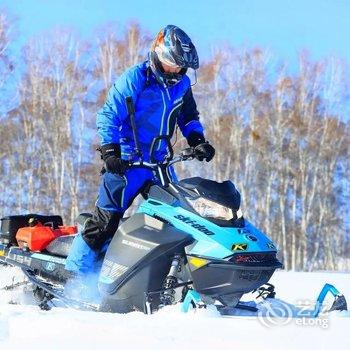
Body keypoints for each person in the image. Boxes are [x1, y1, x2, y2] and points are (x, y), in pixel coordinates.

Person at [65, 25, 215, 275]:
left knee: (178, 220)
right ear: (158, 55)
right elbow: (109, 114)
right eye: (171, 63)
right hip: (127, 164)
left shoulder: (182, 84)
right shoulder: (137, 78)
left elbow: (188, 117)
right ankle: (73, 276)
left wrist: (198, 140)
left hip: (159, 166)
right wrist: (110, 151)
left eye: (180, 66)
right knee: (105, 223)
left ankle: (175, 280)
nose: (175, 70)